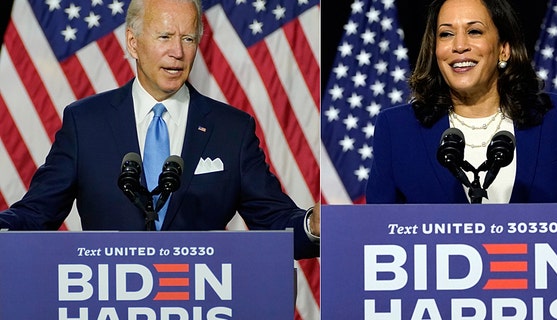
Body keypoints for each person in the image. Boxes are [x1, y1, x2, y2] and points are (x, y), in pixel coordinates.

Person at [0, 0, 319, 260]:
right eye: (165, 37)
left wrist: (312, 225)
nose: (178, 52)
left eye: (188, 38)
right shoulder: (86, 123)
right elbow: (36, 214)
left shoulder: (231, 130)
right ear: (133, 42)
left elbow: (275, 223)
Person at [366, 0, 557, 204]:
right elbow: (376, 231)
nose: (459, 46)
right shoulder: (397, 128)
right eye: (446, 34)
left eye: (474, 31)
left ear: (503, 50)